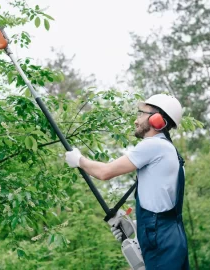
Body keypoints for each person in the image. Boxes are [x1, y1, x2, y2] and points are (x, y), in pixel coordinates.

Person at [65, 94, 189, 269]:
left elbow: (105, 172)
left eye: (140, 113)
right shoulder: (171, 153)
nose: (136, 121)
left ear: (157, 119)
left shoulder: (153, 145)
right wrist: (138, 226)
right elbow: (162, 206)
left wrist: (79, 160)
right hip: (171, 238)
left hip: (160, 240)